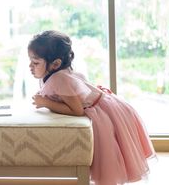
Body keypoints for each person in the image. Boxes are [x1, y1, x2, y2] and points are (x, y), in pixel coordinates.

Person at [28, 30, 155, 185]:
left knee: (107, 160)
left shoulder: (59, 78)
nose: (30, 67)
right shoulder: (56, 74)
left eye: (35, 63)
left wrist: (46, 103)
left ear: (55, 64)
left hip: (102, 113)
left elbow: (77, 110)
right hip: (108, 106)